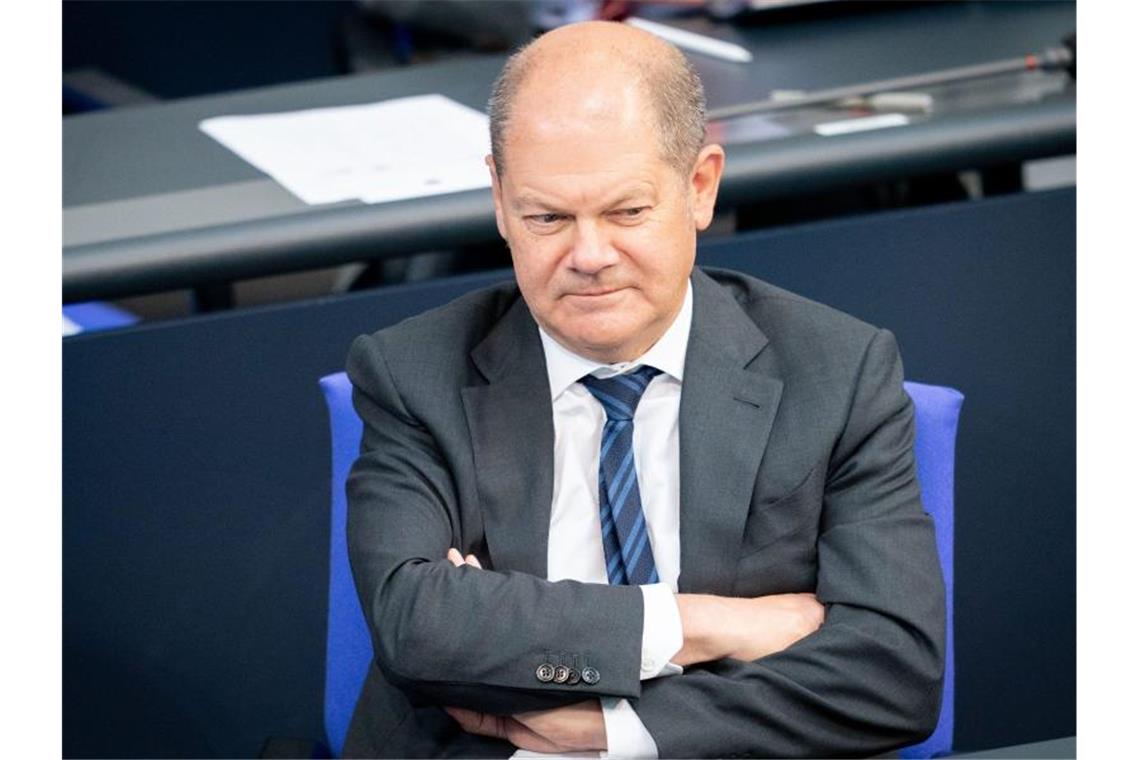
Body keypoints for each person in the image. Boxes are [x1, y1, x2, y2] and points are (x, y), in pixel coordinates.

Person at [343, 20, 944, 758]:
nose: (589, 255)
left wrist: (617, 727)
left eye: (627, 212)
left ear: (700, 187)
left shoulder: (837, 370)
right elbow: (418, 626)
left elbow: (893, 676)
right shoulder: (414, 373)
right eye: (547, 217)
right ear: (500, 201)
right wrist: (701, 626)